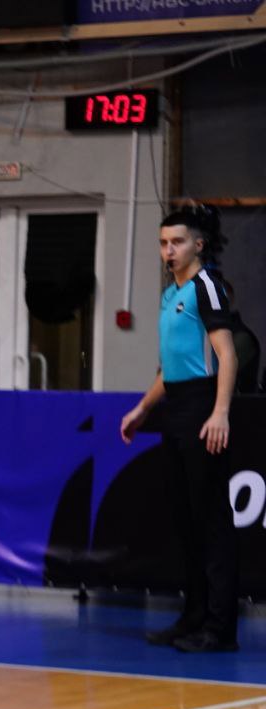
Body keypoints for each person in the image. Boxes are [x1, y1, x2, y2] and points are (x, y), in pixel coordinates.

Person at [121, 204, 238, 653]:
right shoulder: (170, 294)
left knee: (212, 523)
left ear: (198, 245)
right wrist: (142, 409)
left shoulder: (208, 286)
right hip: (175, 407)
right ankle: (193, 618)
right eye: (163, 243)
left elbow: (227, 355)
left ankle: (220, 629)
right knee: (185, 522)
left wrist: (220, 412)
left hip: (203, 408)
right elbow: (169, 368)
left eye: (178, 242)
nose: (168, 250)